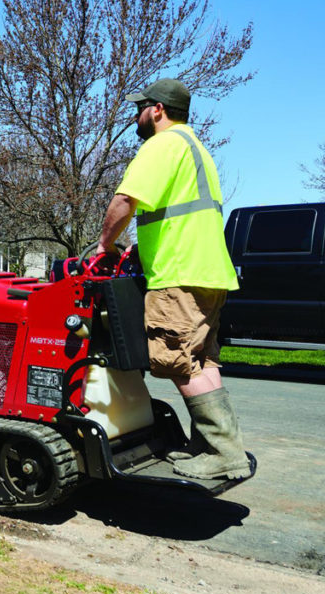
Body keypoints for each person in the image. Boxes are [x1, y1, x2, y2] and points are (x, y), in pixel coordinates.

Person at [97, 78, 249, 480]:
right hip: (210, 272)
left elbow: (125, 201)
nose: (136, 114)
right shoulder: (196, 148)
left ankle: (224, 453)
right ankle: (210, 446)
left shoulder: (161, 146)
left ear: (157, 110)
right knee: (201, 360)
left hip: (179, 273)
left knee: (178, 362)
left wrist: (103, 245)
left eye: (140, 107)